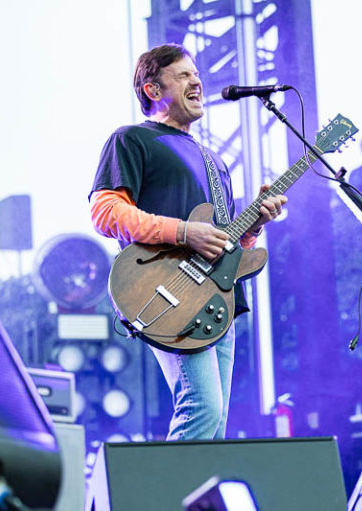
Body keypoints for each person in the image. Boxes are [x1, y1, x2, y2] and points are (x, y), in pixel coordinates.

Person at [89, 43, 287, 441]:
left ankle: (192, 484)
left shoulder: (215, 161)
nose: (196, 81)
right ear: (152, 89)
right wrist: (183, 231)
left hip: (217, 299)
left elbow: (229, 249)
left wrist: (253, 226)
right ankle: (166, 483)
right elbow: (105, 212)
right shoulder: (133, 139)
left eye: (196, 74)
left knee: (215, 424)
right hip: (168, 293)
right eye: (183, 75)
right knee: (202, 408)